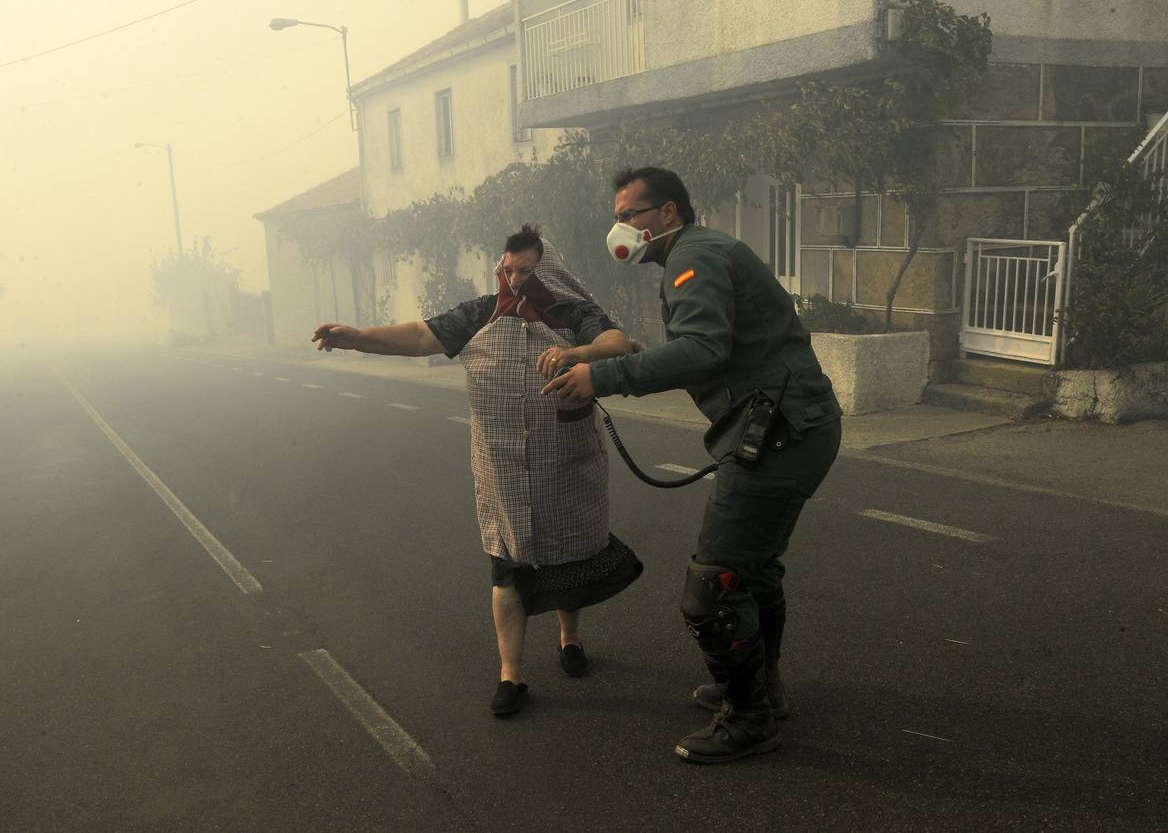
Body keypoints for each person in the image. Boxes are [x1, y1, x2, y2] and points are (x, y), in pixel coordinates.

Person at [543, 168, 842, 764]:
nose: (620, 226)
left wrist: (602, 377)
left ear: (669, 214)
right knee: (754, 574)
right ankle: (762, 690)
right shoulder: (698, 253)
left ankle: (749, 718)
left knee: (716, 584)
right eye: (618, 213)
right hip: (792, 425)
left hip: (780, 431)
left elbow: (704, 348)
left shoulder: (695, 256)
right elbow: (706, 349)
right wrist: (602, 356)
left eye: (632, 213)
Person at [313, 225, 642, 717]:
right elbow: (421, 334)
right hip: (501, 468)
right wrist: (358, 337)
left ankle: (569, 639)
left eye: (526, 271)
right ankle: (511, 674)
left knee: (569, 558)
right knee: (507, 567)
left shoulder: (574, 313)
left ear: (546, 269)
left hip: (568, 462)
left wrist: (580, 353)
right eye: (508, 270)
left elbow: (618, 343)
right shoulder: (481, 313)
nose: (515, 280)